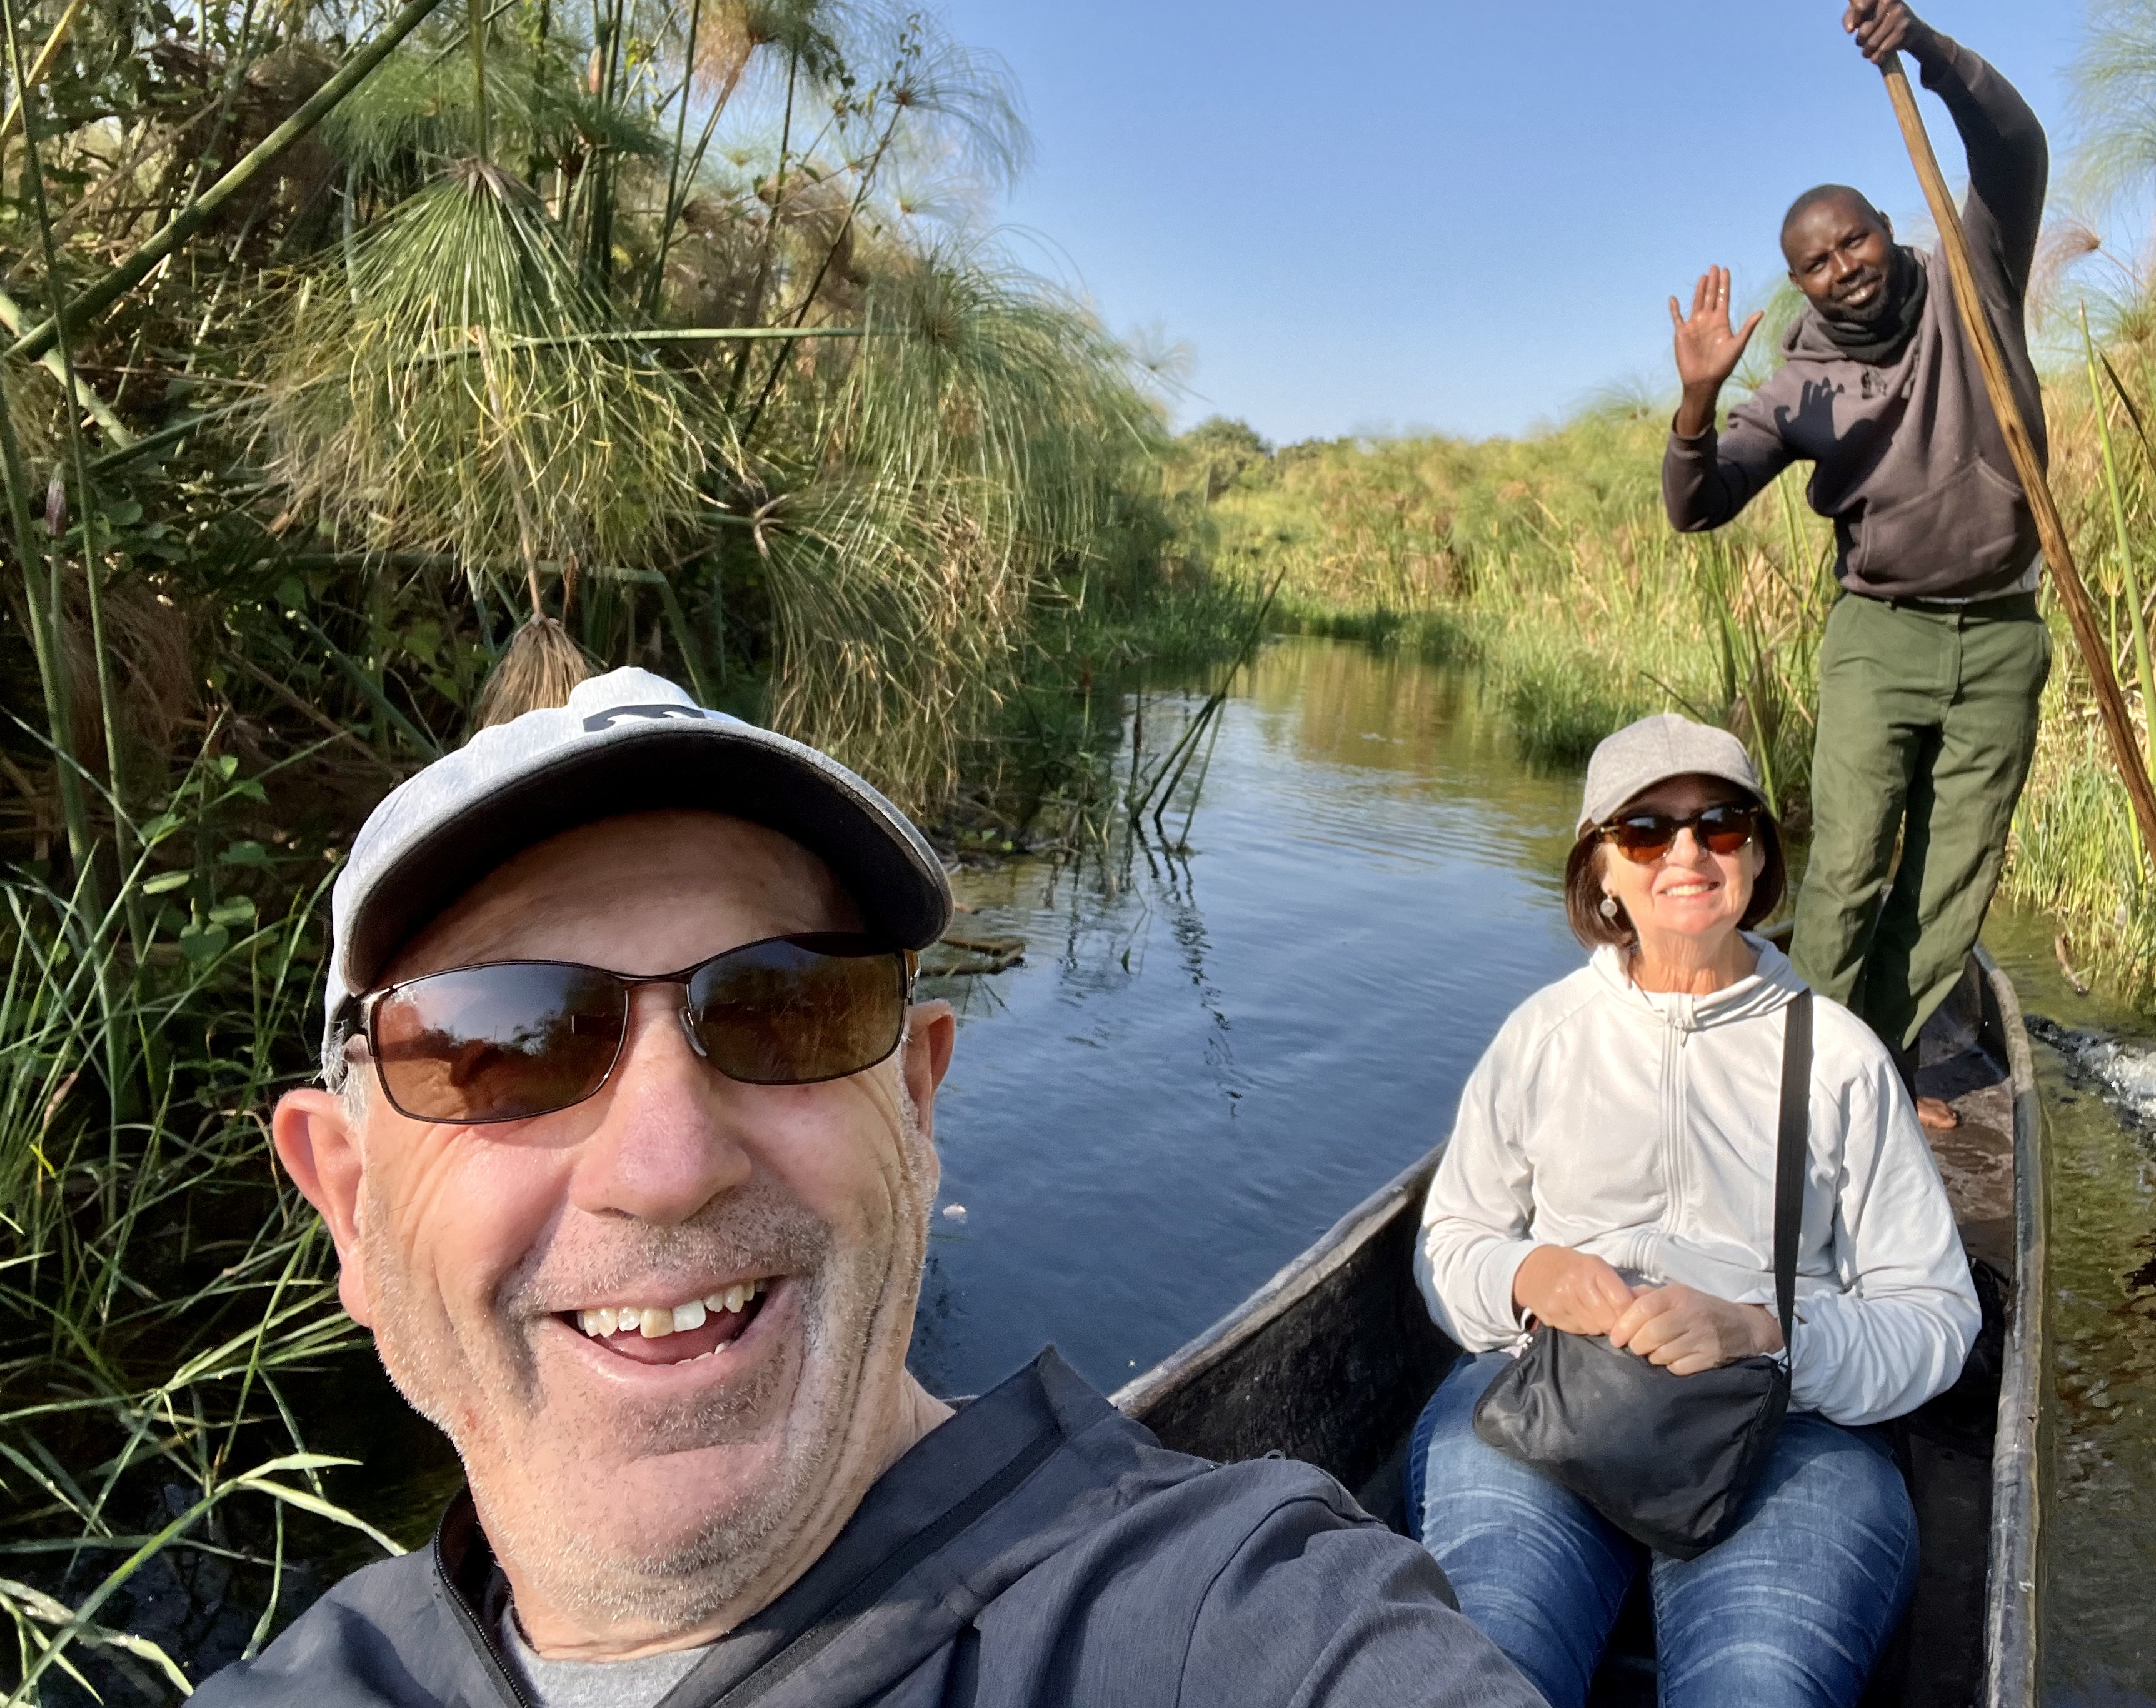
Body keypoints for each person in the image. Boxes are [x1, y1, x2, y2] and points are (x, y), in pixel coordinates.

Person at [201, 668, 1544, 1708]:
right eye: (507, 1044)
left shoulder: (1232, 1631)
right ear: (351, 1204)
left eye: (785, 1009)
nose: (666, 1169)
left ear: (914, 1104)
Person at [1410, 714, 1979, 1708]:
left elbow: (1935, 1317)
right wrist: (1525, 1276)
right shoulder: (1541, 1036)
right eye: (1646, 831)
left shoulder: (1841, 1057)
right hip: (1543, 1398)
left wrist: (1764, 1333)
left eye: (1719, 825)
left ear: (1756, 859)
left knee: (1758, 1688)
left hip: (1785, 1430)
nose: (1686, 852)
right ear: (1603, 872)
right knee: (1482, 1664)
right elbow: (1452, 1240)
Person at [1660, 0, 2053, 1123]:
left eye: (1858, 239)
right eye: (1820, 261)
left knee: (1952, 877)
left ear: (1888, 226)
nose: (1848, 266)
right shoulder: (1797, 384)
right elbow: (1699, 505)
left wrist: (1925, 46)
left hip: (2003, 629)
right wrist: (1696, 404)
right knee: (1843, 872)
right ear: (1801, 283)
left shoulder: (1973, 279)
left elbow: (2014, 144)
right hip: (1879, 638)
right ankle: (1806, 1085)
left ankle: (1881, 1065)